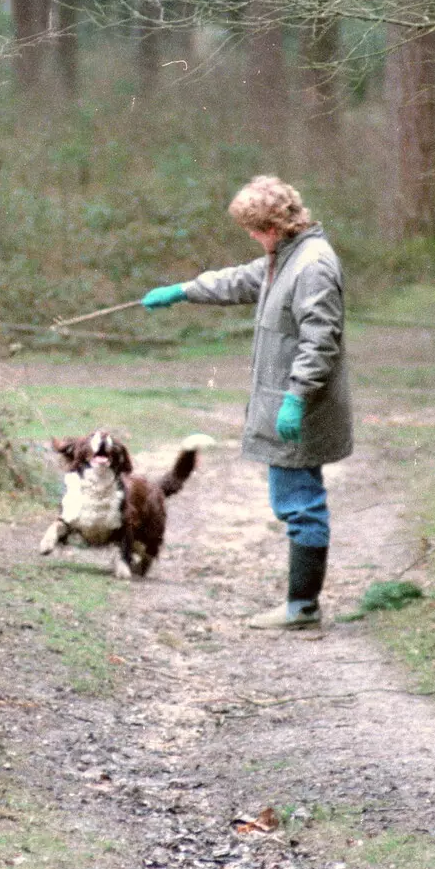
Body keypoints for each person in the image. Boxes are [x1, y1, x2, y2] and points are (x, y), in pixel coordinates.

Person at [141, 176, 350, 630]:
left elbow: (320, 341)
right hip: (288, 401)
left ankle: (303, 607)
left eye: (254, 230)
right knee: (293, 499)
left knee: (300, 502)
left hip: (299, 406)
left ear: (272, 225)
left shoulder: (312, 265)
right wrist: (183, 291)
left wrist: (296, 397)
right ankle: (302, 605)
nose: (253, 239)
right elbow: (240, 280)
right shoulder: (286, 257)